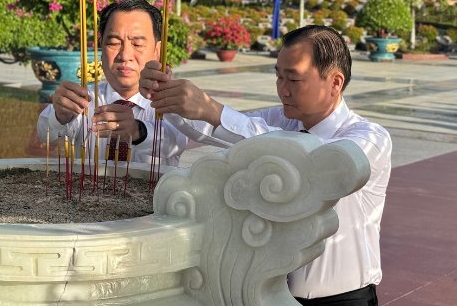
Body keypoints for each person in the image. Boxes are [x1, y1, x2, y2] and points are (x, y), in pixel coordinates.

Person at [140, 25, 392, 305]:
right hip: (271, 293)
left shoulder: (370, 137)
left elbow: (320, 164)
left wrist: (213, 109)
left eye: (294, 79)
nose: (282, 89)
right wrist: (170, 96)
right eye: (278, 76)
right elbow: (215, 128)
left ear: (334, 82)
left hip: (344, 299)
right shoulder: (282, 120)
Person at [38, 0, 194, 166]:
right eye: (113, 43)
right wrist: (60, 114)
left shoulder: (169, 102)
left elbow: (174, 142)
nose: (125, 55)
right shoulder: (84, 98)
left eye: (138, 44)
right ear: (101, 48)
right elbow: (45, 133)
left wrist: (137, 131)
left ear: (157, 51)